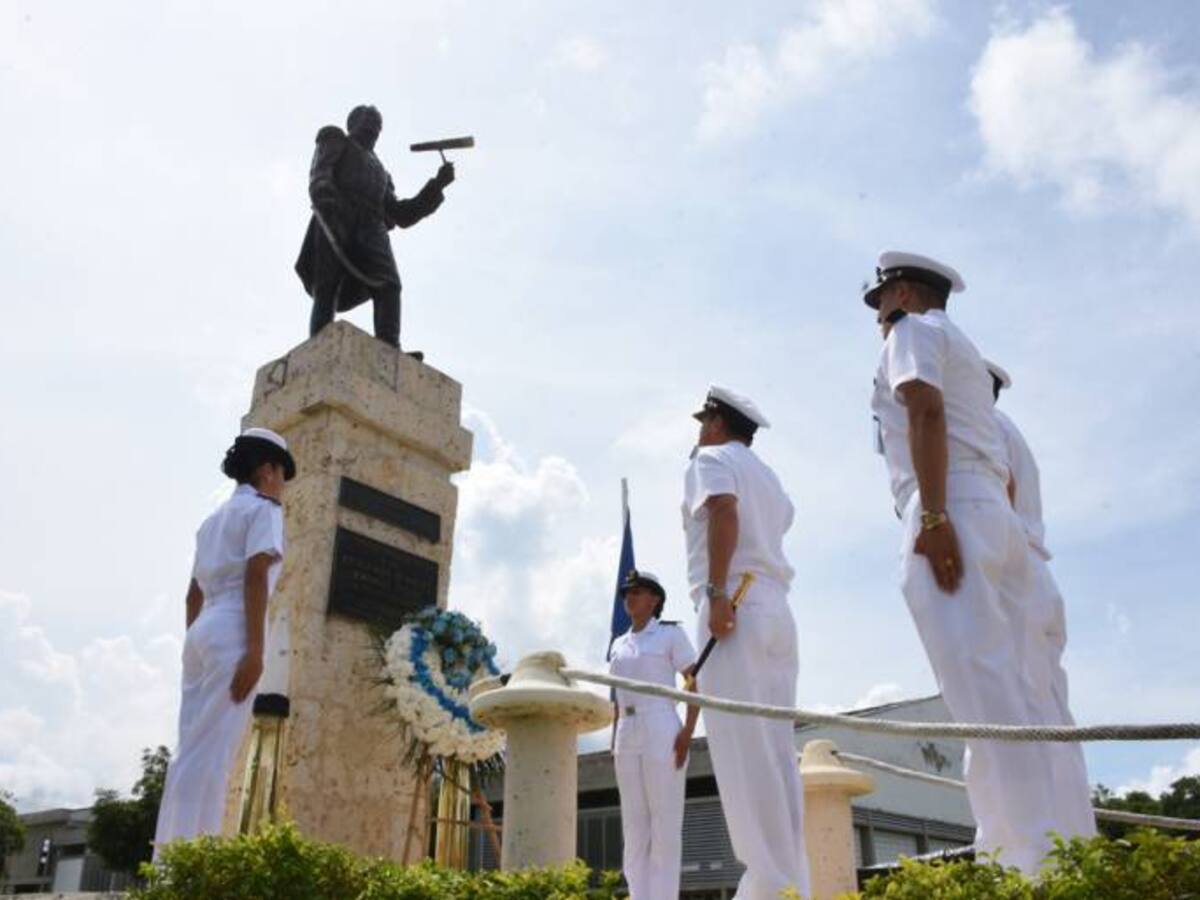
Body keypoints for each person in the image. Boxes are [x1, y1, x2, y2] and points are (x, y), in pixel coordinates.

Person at [865, 250, 1072, 874]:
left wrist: (931, 517)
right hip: (989, 513)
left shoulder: (913, 333)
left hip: (947, 504)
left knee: (982, 696)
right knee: (1011, 696)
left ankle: (1025, 868)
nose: (878, 318)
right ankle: (1041, 855)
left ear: (900, 293)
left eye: (880, 304)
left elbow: (923, 408)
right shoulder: (958, 340)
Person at [681, 386, 810, 899]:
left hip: (732, 602)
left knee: (743, 755)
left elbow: (724, 511)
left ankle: (768, 887)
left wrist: (715, 593)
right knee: (777, 755)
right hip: (774, 605)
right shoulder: (771, 478)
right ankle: (789, 881)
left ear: (716, 422)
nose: (698, 430)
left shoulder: (710, 458)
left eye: (702, 420)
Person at [153, 427, 294, 850]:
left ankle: (168, 858)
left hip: (203, 628)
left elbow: (192, 593)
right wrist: (254, 649)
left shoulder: (211, 521)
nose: (282, 485)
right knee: (214, 753)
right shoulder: (264, 511)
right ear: (267, 470)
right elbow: (256, 575)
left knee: (190, 747)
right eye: (282, 474)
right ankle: (194, 862)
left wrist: (195, 642)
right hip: (235, 626)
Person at [984, 360, 1097, 840]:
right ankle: (1072, 839)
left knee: (1012, 711)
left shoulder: (982, 425)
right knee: (1050, 716)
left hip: (1012, 569)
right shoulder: (1008, 428)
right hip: (1035, 572)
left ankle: (1028, 846)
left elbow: (998, 489)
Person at [294, 104, 455, 354]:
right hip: (337, 213)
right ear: (353, 123)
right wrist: (325, 199)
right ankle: (319, 346)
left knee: (390, 285)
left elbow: (401, 214)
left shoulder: (381, 172)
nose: (374, 127)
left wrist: (437, 185)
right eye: (369, 120)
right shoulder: (336, 139)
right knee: (328, 286)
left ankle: (390, 349)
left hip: (372, 228)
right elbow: (321, 173)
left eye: (378, 124)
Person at [608, 569, 698, 900]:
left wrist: (688, 730)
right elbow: (618, 695)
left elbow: (693, 682)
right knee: (633, 825)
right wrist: (614, 734)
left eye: (638, 592)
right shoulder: (619, 643)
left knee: (664, 821)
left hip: (661, 723)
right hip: (626, 730)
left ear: (655, 599)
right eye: (627, 593)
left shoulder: (670, 635)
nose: (630, 598)